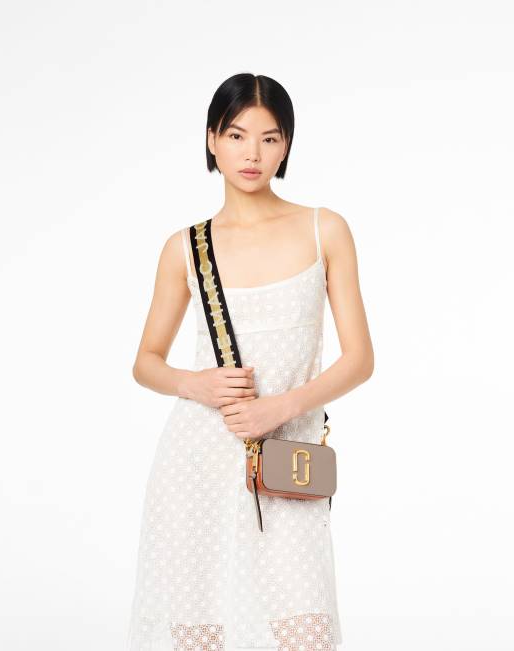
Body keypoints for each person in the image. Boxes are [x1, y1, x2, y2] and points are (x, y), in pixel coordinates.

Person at [127, 72, 374, 651]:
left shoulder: (324, 229)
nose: (252, 154)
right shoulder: (185, 247)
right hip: (197, 463)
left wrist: (280, 408)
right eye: (237, 136)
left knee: (302, 630)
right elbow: (146, 362)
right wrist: (195, 383)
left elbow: (360, 358)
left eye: (269, 138)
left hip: (287, 466)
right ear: (212, 140)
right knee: (201, 631)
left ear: (286, 146)